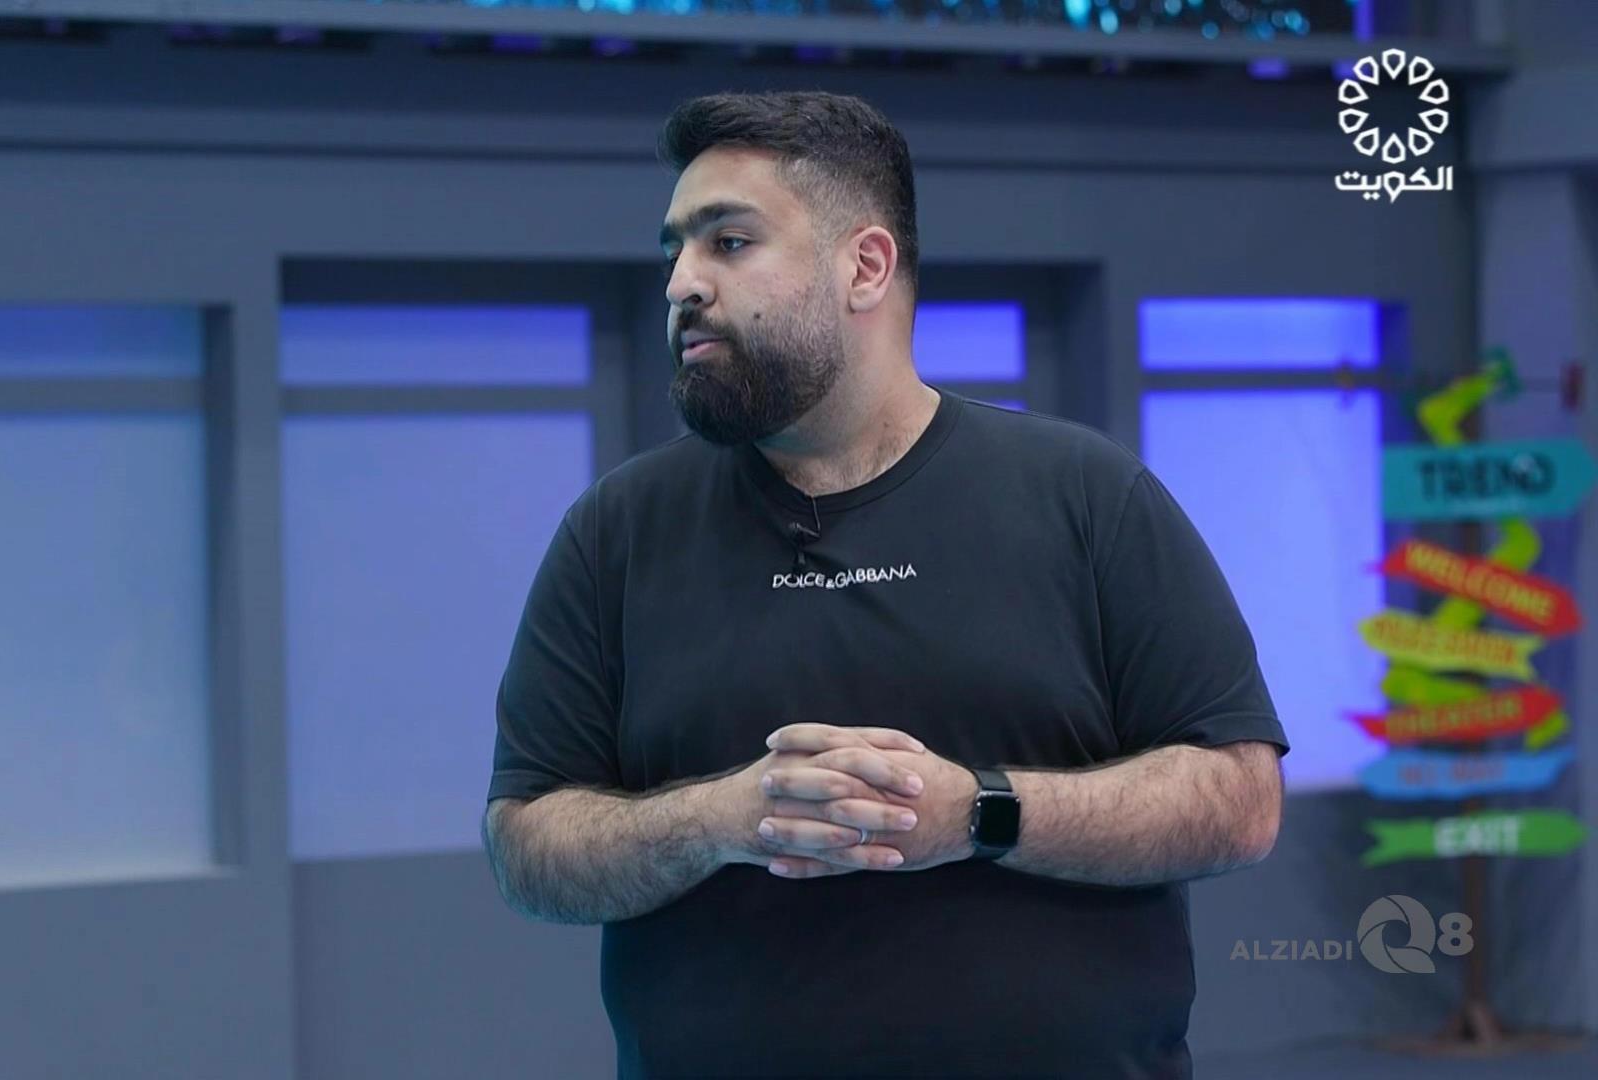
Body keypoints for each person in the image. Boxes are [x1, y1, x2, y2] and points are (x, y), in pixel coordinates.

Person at [481, 90, 1288, 1079]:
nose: (682, 283)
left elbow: (1241, 797)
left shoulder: (1087, 496)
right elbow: (526, 846)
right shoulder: (616, 531)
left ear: (865, 266)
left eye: (728, 242)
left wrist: (979, 814)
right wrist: (717, 821)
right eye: (673, 252)